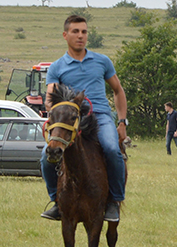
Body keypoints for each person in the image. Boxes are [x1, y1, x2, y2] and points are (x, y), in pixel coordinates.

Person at [40, 15, 127, 222]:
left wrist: (122, 122)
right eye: (75, 31)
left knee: (112, 148)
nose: (80, 36)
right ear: (65, 35)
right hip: (71, 120)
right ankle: (56, 202)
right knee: (45, 156)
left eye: (84, 32)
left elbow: (118, 91)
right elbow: (50, 99)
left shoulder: (102, 61)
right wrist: (55, 113)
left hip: (100, 117)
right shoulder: (57, 67)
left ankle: (114, 201)